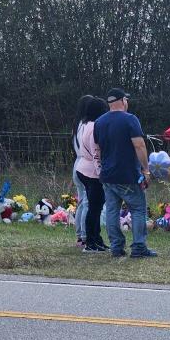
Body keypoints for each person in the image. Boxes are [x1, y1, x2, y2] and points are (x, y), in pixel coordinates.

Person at [93, 88, 157, 258]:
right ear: (122, 101)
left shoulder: (99, 122)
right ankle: (138, 247)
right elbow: (139, 145)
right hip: (127, 175)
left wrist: (102, 168)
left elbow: (98, 150)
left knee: (112, 211)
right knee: (137, 209)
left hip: (107, 176)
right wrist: (146, 169)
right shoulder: (130, 120)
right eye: (126, 100)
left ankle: (116, 247)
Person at [74, 96, 110, 253]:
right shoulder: (95, 127)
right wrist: (101, 172)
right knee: (94, 208)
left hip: (83, 168)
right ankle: (90, 242)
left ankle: (96, 239)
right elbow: (96, 152)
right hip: (92, 172)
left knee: (94, 206)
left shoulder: (85, 124)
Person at [71, 95, 93, 248]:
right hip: (86, 163)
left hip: (77, 163)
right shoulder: (88, 125)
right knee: (86, 202)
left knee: (81, 201)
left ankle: (80, 234)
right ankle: (85, 236)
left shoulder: (77, 124)